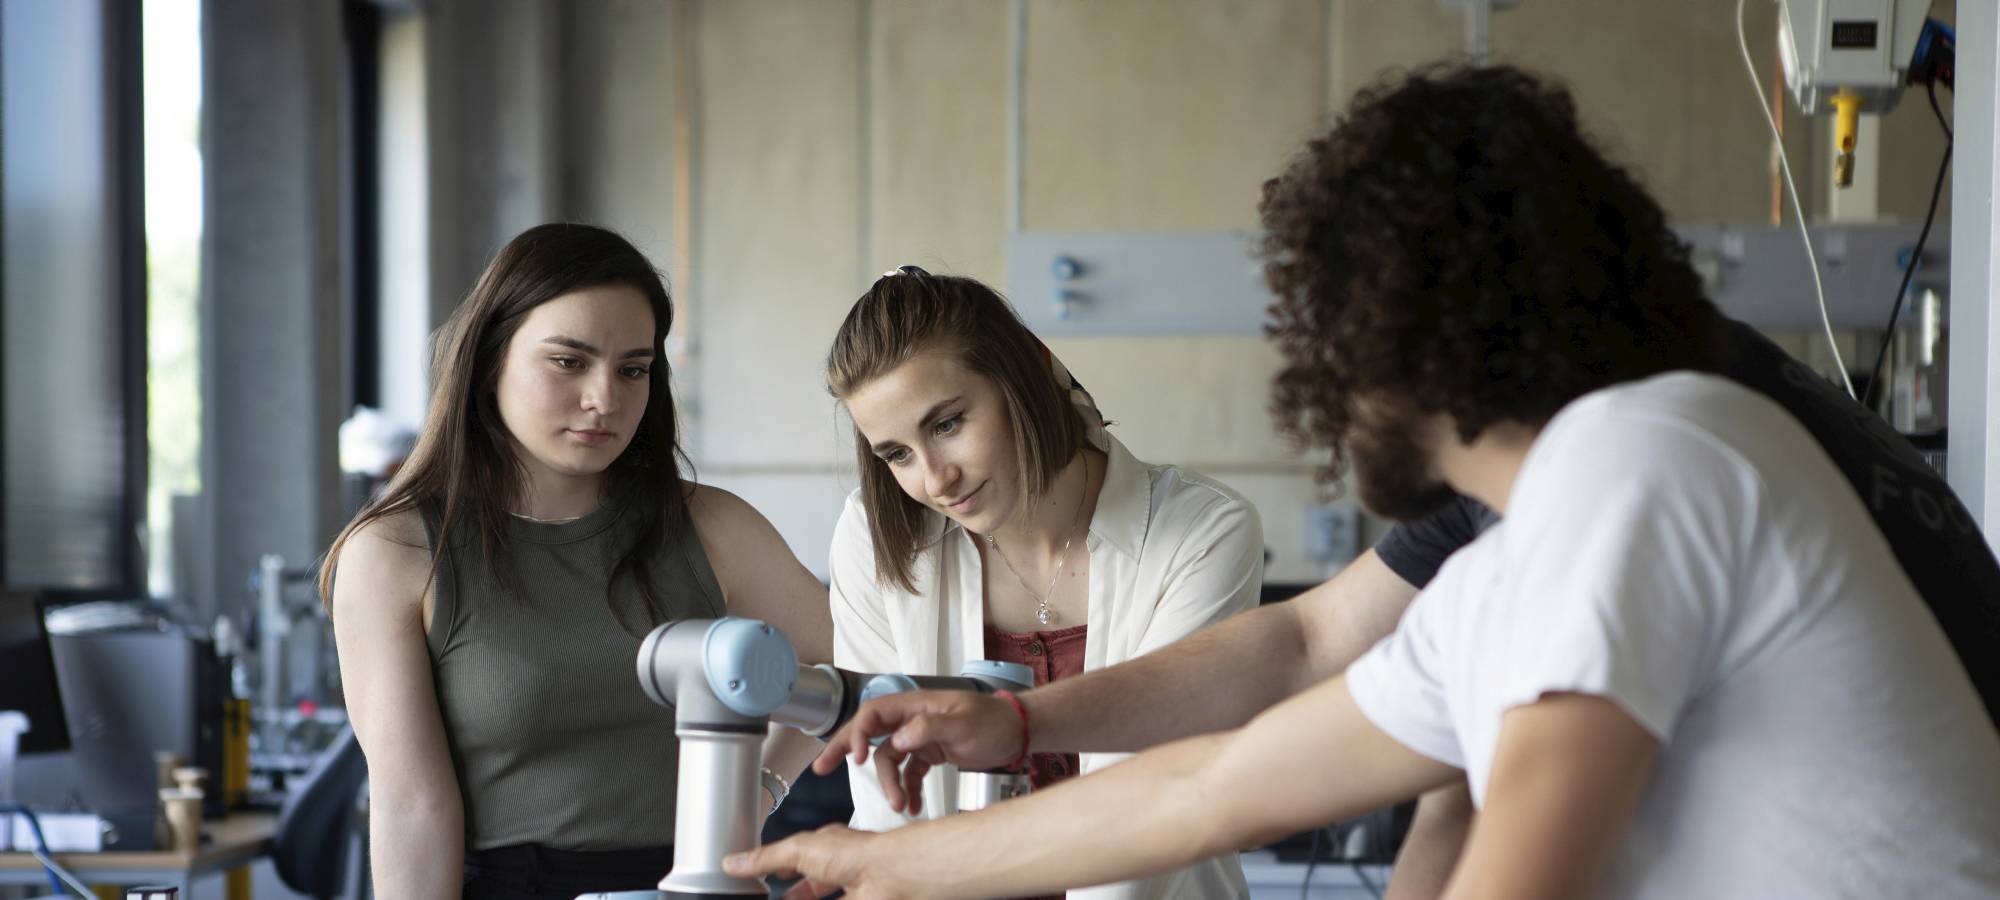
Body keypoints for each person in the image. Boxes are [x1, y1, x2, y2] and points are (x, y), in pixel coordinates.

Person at [724, 65, 2000, 899]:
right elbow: (1212, 780)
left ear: (1405, 324)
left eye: (1319, 321)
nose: (1313, 369)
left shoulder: (1644, 464)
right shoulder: (1512, 557)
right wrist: (892, 851)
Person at [321, 223, 833, 900]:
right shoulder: (395, 553)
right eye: (568, 361)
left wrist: (760, 789)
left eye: (633, 369)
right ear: (488, 362)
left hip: (696, 885)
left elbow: (846, 662)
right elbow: (413, 808)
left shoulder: (712, 526)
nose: (605, 400)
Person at [821, 267, 1262, 899]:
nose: (935, 480)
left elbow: (1147, 797)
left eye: (946, 424)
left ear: (1025, 376)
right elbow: (891, 801)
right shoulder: (875, 537)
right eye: (897, 455)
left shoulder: (1203, 529)